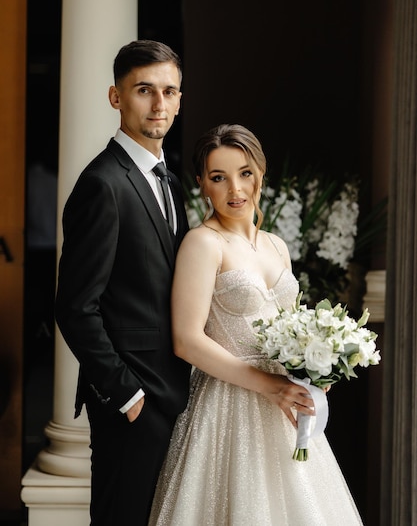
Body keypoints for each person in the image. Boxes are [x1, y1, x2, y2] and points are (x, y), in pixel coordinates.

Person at [148, 123, 364, 525]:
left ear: (260, 174)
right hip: (228, 405)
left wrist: (313, 372)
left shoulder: (276, 245)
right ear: (202, 185)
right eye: (219, 177)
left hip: (286, 401)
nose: (235, 189)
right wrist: (272, 387)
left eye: (245, 173)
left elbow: (293, 329)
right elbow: (187, 340)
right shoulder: (202, 243)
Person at [55, 39, 191, 526]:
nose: (159, 104)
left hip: (175, 390)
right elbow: (75, 307)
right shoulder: (102, 183)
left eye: (169, 91)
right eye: (144, 90)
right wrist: (128, 397)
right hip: (133, 402)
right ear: (117, 97)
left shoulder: (168, 180)